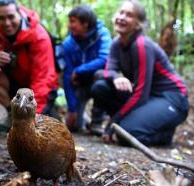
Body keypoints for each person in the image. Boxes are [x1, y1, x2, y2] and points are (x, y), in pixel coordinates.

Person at [90, 0, 189, 146]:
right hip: (150, 97)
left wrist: (114, 122)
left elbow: (141, 94)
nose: (122, 17)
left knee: (125, 134)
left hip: (173, 99)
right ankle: (130, 123)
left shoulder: (142, 45)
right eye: (121, 12)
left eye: (129, 15)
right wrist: (116, 77)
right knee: (100, 87)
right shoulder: (116, 43)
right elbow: (107, 71)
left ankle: (164, 136)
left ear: (138, 24)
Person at [0, 0, 58, 130]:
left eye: (11, 17)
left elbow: (43, 80)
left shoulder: (38, 36)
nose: (7, 23)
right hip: (15, 85)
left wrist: (33, 116)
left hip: (40, 90)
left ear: (19, 13)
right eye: (1, 18)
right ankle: (13, 115)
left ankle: (38, 115)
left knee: (43, 127)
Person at [60, 4, 112, 134]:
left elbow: (105, 59)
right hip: (80, 85)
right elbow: (67, 76)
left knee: (101, 75)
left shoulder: (102, 35)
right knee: (74, 127)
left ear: (85, 24)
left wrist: (79, 70)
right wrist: (72, 109)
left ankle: (97, 121)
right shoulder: (68, 44)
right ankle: (79, 116)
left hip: (97, 81)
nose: (69, 25)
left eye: (73, 22)